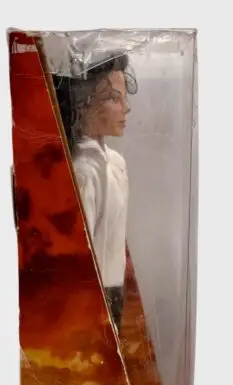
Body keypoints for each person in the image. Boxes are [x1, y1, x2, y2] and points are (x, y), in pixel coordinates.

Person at [53, 53, 137, 331]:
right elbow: (76, 254)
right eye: (114, 99)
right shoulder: (84, 172)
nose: (126, 108)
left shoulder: (115, 164)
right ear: (84, 104)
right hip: (91, 296)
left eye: (124, 98)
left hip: (114, 288)